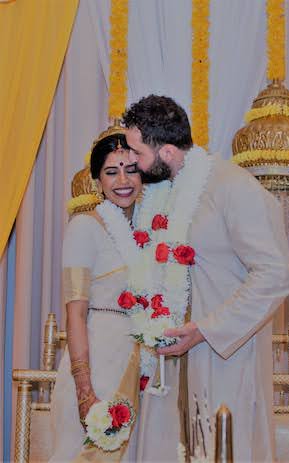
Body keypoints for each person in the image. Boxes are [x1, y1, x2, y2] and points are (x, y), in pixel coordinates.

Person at [123, 95, 289, 462]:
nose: (130, 161)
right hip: (171, 364)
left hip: (224, 359)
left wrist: (205, 329)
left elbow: (276, 274)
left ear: (167, 151)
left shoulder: (232, 186)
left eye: (137, 152)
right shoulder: (161, 195)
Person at [50, 126, 143, 462]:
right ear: (96, 181)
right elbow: (75, 312)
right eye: (111, 171)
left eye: (131, 169)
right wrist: (84, 390)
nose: (123, 180)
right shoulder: (84, 227)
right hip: (99, 363)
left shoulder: (150, 235)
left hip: (140, 363)